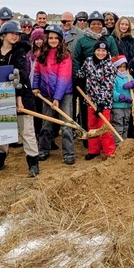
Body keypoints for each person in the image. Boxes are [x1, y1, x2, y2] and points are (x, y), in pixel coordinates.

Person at [0, 21, 39, 176]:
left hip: (22, 96)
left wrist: (19, 98)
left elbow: (22, 75)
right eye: (12, 33)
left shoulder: (20, 52)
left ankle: (33, 162)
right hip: (0, 97)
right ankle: (0, 160)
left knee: (27, 130)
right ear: (4, 34)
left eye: (17, 34)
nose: (15, 36)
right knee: (1, 128)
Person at [32, 24, 76, 165]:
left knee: (66, 124)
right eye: (50, 38)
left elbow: (63, 79)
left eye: (56, 38)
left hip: (64, 95)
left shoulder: (65, 55)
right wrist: (35, 87)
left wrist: (57, 98)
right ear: (46, 39)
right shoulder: (41, 54)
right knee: (46, 123)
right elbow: (37, 72)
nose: (53, 40)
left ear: (60, 39)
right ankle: (44, 149)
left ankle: (68, 153)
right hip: (46, 94)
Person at [77, 40, 117, 158]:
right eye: (98, 50)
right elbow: (82, 73)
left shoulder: (109, 65)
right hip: (90, 100)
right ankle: (93, 150)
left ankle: (109, 152)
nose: (101, 53)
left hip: (104, 103)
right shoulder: (88, 62)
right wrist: (77, 77)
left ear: (107, 52)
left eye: (103, 51)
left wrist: (101, 102)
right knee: (92, 126)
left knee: (104, 127)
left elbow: (108, 86)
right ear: (94, 51)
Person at [110, 55, 134, 146]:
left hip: (128, 106)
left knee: (126, 124)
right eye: (120, 67)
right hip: (117, 106)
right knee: (118, 125)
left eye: (124, 67)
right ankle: (117, 143)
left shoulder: (129, 77)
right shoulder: (114, 78)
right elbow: (112, 92)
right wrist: (120, 97)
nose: (122, 69)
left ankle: (124, 143)